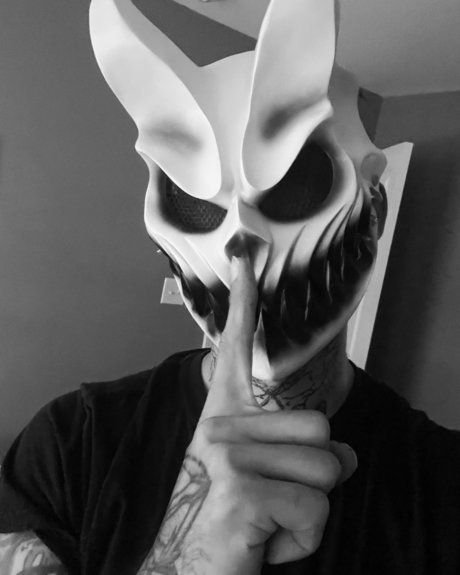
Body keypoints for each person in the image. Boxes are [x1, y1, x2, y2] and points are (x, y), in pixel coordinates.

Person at [2, 0, 460, 574]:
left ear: (375, 208)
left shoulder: (441, 487)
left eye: (297, 184)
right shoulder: (69, 446)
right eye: (196, 205)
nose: (243, 241)